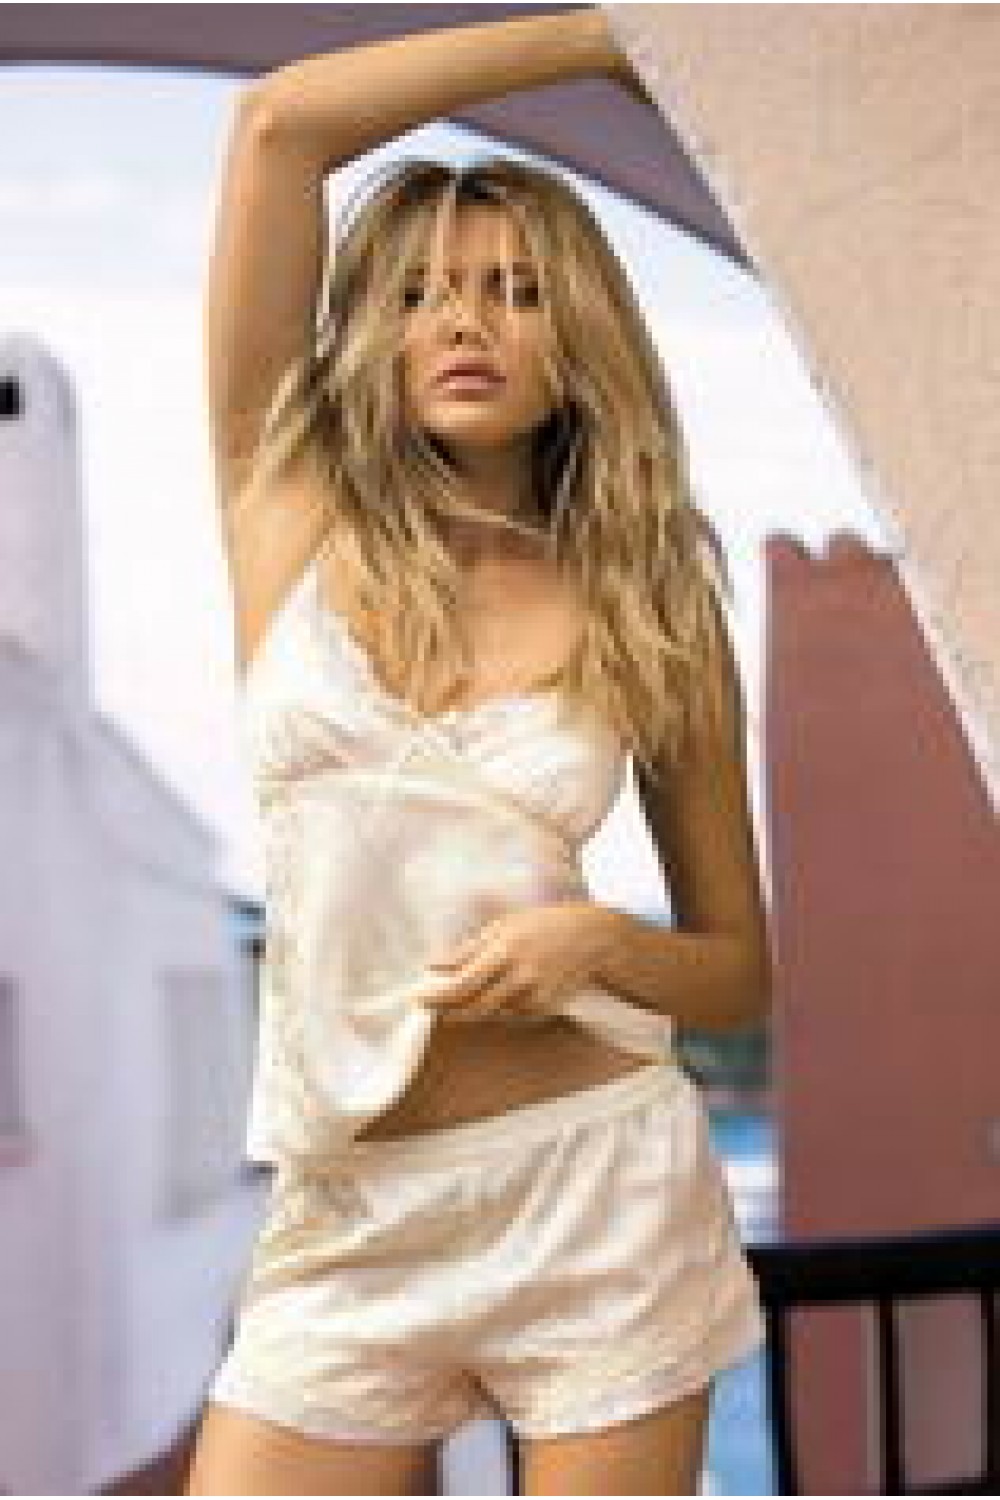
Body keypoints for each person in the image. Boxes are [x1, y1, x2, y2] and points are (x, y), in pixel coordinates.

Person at [186, 9, 772, 1495]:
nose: (466, 325)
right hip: (351, 1213)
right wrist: (602, 35)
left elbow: (736, 971)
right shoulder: (283, 509)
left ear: (578, 345)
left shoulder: (650, 595)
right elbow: (279, 125)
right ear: (374, 337)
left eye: (517, 293)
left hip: (597, 1193)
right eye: (424, 295)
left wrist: (599, 944)